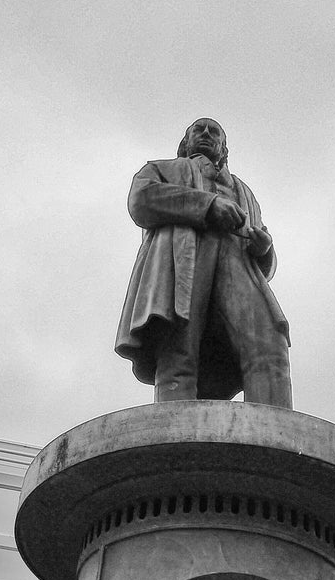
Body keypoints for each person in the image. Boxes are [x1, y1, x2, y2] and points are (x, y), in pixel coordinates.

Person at [115, 117, 292, 407]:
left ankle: (276, 442)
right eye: (199, 129)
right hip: (182, 262)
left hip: (237, 263)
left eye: (215, 132)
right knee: (177, 353)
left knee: (270, 346)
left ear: (224, 148)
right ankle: (174, 442)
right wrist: (208, 205)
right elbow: (141, 199)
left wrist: (264, 249)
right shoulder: (163, 169)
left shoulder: (245, 192)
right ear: (186, 143)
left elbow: (264, 254)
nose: (207, 134)